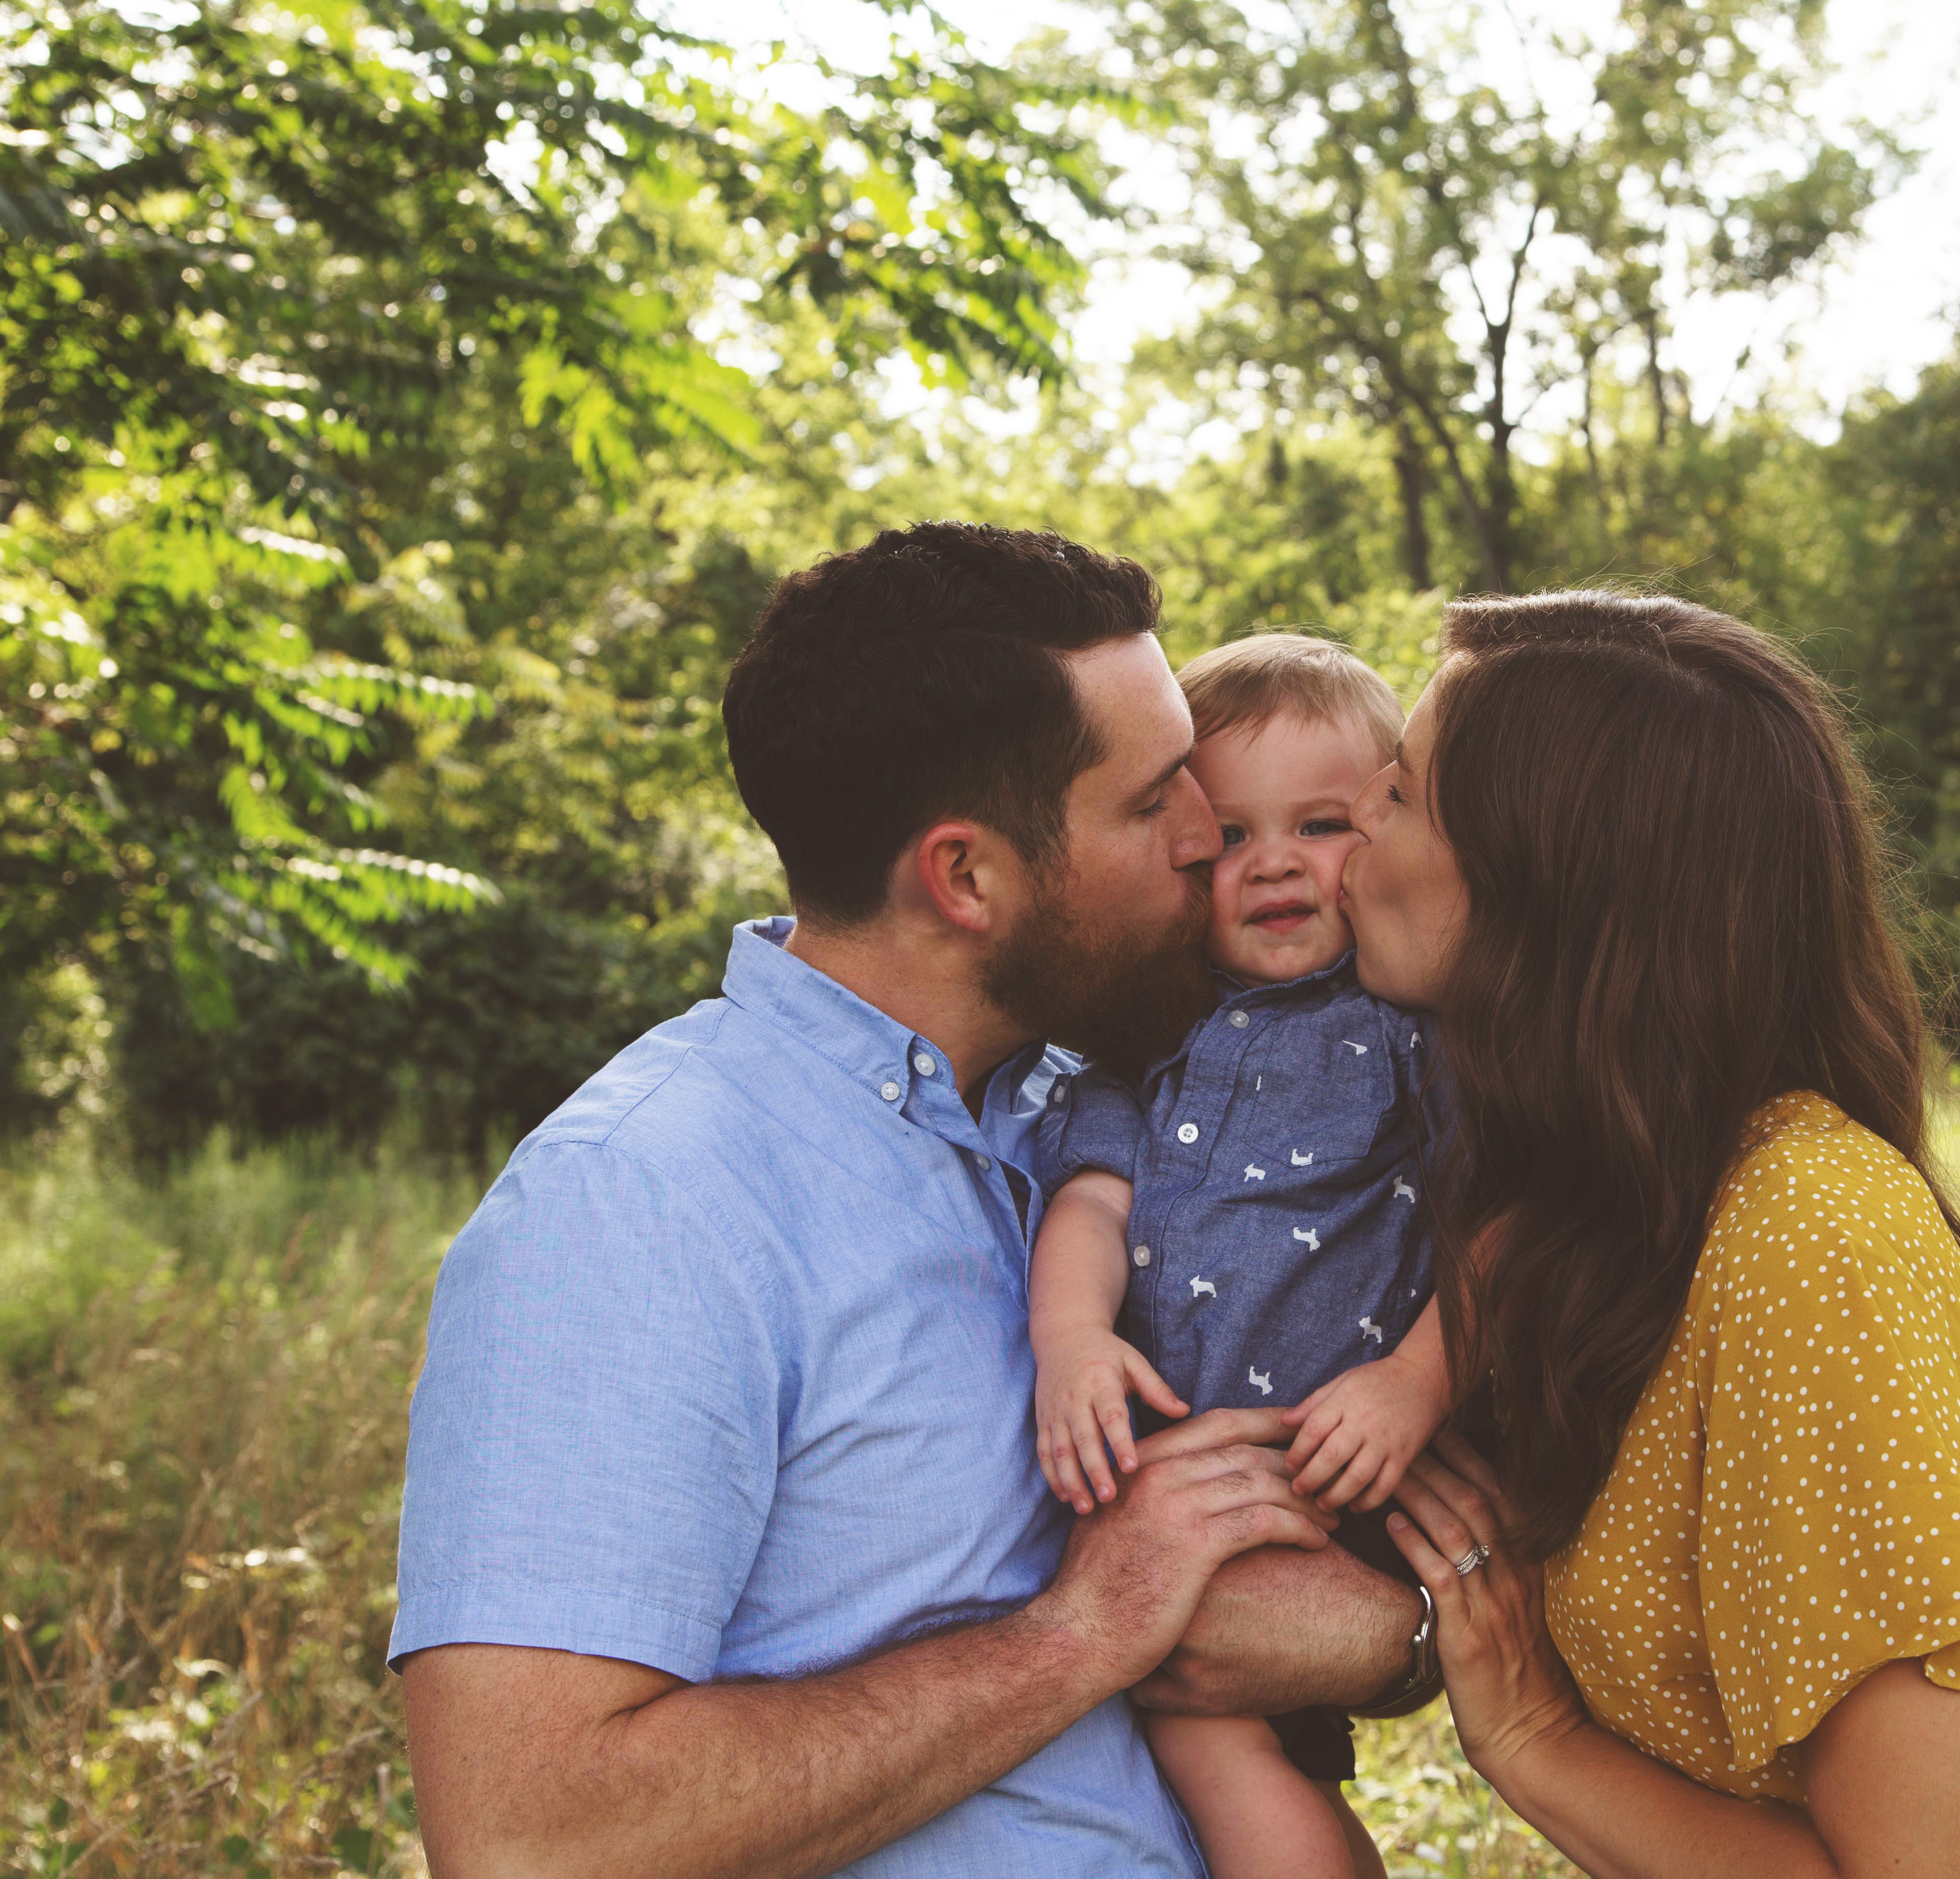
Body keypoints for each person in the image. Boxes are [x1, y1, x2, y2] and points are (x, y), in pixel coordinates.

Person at [387, 525, 1432, 1879]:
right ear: (967, 877)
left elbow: (1326, 1612)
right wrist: (1080, 1635)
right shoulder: (638, 1202)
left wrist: (1397, 1636)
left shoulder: (1126, 1108)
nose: (1205, 838)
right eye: (1156, 803)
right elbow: (533, 1842)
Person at [1345, 592, 1960, 1877]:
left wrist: (1537, 1738)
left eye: (1398, 792)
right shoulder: (1610, 1213)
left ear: (1544, 882)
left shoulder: (1811, 1232)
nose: (1352, 822)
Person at [1027, 634, 1450, 1879]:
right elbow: (1091, 1203)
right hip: (1179, 1480)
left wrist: (1418, 1381)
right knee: (1233, 1749)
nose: (1274, 863)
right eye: (1229, 837)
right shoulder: (1149, 1038)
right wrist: (1072, 1338)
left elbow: (1507, 1226)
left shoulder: (1411, 1029)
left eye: (1321, 825)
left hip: (1347, 1463)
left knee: (1214, 1734)